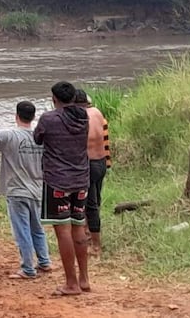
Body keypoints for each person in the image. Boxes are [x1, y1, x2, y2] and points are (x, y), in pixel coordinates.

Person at [0, 101, 51, 279]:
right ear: (33, 117)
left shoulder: (9, 135)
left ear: (16, 116)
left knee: (22, 230)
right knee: (37, 228)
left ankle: (27, 269)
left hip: (17, 191)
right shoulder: (40, 137)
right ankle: (44, 261)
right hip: (38, 190)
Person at [33, 81, 90, 296]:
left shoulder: (49, 118)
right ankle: (84, 279)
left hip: (57, 181)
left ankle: (71, 283)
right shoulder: (83, 116)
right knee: (78, 225)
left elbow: (37, 138)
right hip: (81, 179)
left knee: (62, 230)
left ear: (54, 99)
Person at [74, 89, 110, 256]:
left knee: (90, 205)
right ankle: (89, 233)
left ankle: (96, 245)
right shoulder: (97, 112)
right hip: (101, 162)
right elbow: (105, 136)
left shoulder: (79, 117)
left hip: (88, 164)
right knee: (96, 201)